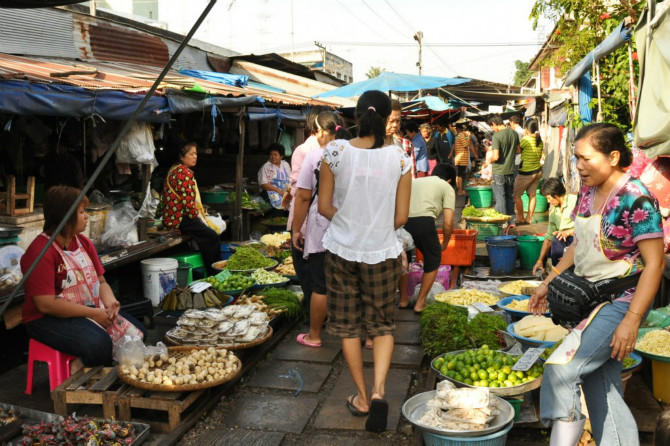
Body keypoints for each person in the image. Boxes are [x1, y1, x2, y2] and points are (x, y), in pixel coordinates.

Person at [529, 123, 665, 446]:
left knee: (562, 371)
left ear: (613, 156)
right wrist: (548, 282)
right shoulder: (588, 193)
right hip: (591, 300)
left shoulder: (637, 199)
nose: (578, 167)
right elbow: (578, 246)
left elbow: (655, 263)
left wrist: (631, 320)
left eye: (585, 158)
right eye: (576, 158)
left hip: (621, 303)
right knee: (600, 384)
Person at [318, 90, 412, 432]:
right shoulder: (400, 158)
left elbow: (325, 206)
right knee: (382, 325)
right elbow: (401, 217)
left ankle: (359, 396)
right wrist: (374, 224)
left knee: (347, 326)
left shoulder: (335, 152)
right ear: (387, 117)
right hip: (382, 252)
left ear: (355, 116)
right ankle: (379, 392)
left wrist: (351, 221)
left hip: (342, 250)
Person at [21, 186, 146, 373]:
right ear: (65, 217)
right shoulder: (40, 251)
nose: (86, 216)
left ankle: (103, 368)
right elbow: (45, 304)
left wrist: (110, 303)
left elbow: (101, 282)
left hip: (87, 308)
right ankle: (77, 368)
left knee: (137, 332)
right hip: (45, 319)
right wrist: (92, 314)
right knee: (98, 344)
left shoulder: (83, 243)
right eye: (81, 212)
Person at [292, 111, 351, 348]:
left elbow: (304, 196)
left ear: (320, 132)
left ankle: (315, 335)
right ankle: (366, 337)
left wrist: (297, 229)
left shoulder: (316, 155)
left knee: (321, 284)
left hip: (322, 229)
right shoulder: (359, 152)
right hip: (352, 227)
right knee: (355, 282)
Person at [283, 106, 331, 307]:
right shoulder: (341, 149)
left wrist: (295, 229)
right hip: (329, 219)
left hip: (307, 219)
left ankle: (313, 318)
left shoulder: (304, 151)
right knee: (324, 274)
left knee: (307, 272)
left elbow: (301, 192)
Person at [397, 164, 456, 313]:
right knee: (433, 259)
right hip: (423, 222)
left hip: (401, 221)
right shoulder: (446, 186)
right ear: (449, 180)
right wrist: (445, 242)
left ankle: (403, 299)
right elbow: (448, 222)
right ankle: (420, 303)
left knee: (404, 260)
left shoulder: (416, 180)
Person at [161, 142, 221, 275]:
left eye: (196, 154)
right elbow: (188, 203)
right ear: (182, 157)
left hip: (172, 217)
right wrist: (198, 217)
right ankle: (215, 273)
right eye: (191, 154)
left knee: (205, 233)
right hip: (180, 218)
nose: (195, 157)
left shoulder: (174, 169)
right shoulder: (184, 173)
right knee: (212, 237)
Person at [532, 178, 577, 275]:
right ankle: (558, 274)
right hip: (562, 243)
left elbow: (588, 225)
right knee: (554, 242)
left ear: (555, 195)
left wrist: (569, 232)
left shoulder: (575, 202)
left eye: (549, 198)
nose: (548, 202)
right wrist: (539, 261)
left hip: (578, 240)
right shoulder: (553, 213)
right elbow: (548, 238)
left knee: (557, 240)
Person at [487, 116, 519, 220]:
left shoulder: (496, 136)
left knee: (500, 198)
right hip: (510, 170)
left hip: (499, 171)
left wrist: (488, 159)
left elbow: (496, 157)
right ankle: (512, 222)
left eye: (492, 127)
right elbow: (518, 151)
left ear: (495, 124)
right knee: (509, 197)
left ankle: (502, 223)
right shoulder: (514, 133)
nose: (492, 129)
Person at [513, 118, 544, 225]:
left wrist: (522, 137)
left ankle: (520, 218)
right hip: (538, 171)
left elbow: (517, 151)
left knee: (517, 195)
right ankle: (529, 218)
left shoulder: (525, 140)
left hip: (526, 172)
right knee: (532, 195)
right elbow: (539, 156)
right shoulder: (540, 141)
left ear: (526, 128)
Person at [257, 143, 291, 210]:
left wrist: (287, 192)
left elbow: (289, 180)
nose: (273, 157)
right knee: (279, 203)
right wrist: (279, 191)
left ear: (281, 156)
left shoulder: (285, 164)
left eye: (275, 155)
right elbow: (264, 184)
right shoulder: (266, 167)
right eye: (271, 154)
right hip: (270, 192)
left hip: (284, 191)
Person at [452, 124, 474, 195]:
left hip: (461, 158)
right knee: (460, 175)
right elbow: (466, 145)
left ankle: (460, 190)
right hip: (461, 158)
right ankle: (460, 191)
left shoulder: (460, 135)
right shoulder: (461, 135)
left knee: (459, 175)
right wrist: (468, 137)